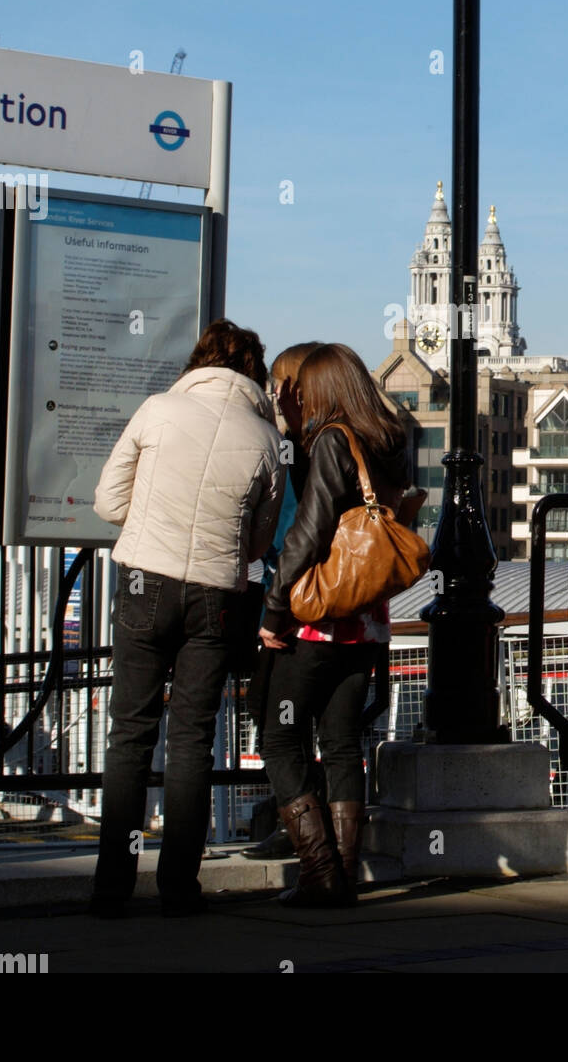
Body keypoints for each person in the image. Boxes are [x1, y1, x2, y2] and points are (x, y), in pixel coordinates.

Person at [89, 319, 285, 916]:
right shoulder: (264, 440)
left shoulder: (157, 411)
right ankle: (179, 885)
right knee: (194, 739)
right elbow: (258, 543)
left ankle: (113, 886)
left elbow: (107, 502)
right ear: (253, 373)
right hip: (215, 594)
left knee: (131, 735)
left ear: (199, 360)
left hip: (146, 580)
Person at [258, 343, 412, 907]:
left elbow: (309, 531)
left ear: (323, 389)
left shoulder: (331, 440)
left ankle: (319, 872)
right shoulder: (391, 437)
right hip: (368, 621)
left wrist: (275, 608)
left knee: (280, 739)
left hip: (318, 621)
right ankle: (344, 874)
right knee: (344, 743)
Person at [241, 341, 323, 862]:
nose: (273, 395)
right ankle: (323, 840)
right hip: (331, 609)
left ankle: (304, 837)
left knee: (275, 722)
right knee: (326, 732)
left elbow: (288, 531)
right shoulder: (337, 441)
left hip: (292, 606)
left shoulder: (292, 449)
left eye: (278, 386)